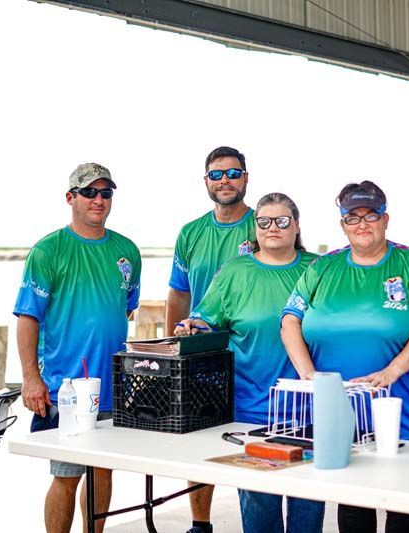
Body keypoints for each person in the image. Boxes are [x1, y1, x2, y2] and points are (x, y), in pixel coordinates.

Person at [281, 180, 409, 533]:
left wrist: (391, 371)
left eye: (370, 214)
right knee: (353, 507)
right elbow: (289, 322)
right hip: (341, 415)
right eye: (352, 217)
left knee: (404, 508)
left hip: (401, 410)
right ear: (342, 223)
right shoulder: (322, 268)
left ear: (385, 218)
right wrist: (308, 375)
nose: (362, 223)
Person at [176, 192, 324, 533]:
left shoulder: (319, 269)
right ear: (255, 227)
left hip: (310, 410)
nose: (273, 227)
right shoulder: (234, 272)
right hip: (252, 411)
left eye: (282, 220)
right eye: (264, 221)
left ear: (296, 225)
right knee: (260, 515)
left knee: (308, 512)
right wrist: (192, 326)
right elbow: (206, 320)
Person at [14, 163, 141, 533]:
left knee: (102, 470)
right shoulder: (48, 250)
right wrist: (30, 379)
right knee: (66, 475)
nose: (98, 200)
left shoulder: (127, 251)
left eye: (106, 193)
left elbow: (125, 309)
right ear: (71, 198)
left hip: (114, 385)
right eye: (89, 193)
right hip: (65, 386)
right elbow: (27, 317)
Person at [166, 146, 256, 533]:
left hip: (251, 354)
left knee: (252, 445)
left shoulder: (263, 224)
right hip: (202, 354)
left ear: (246, 178)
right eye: (216, 175)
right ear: (205, 181)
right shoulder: (191, 232)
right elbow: (179, 293)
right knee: (200, 442)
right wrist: (174, 347)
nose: (225, 181)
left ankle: (257, 519)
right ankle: (200, 523)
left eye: (233, 173)